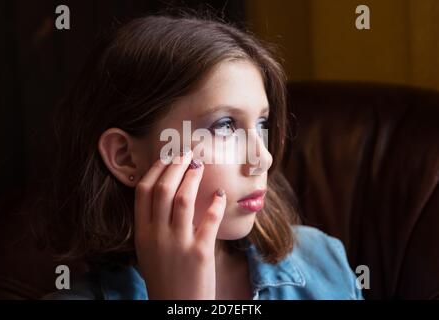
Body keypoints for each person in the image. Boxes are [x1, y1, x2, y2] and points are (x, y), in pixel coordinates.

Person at [39, 10, 363, 300]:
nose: (262, 158)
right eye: (225, 125)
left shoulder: (323, 260)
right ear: (125, 157)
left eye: (262, 122)